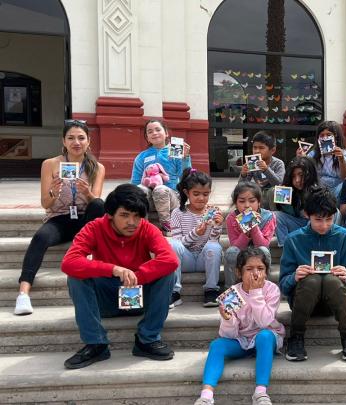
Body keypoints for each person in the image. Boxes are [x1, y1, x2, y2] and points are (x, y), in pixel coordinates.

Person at [60, 184, 178, 369]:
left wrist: (138, 276)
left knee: (167, 273)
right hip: (105, 300)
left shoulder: (147, 229)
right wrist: (114, 269)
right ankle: (96, 343)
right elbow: (69, 262)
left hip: (139, 298)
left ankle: (147, 340)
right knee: (75, 276)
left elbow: (170, 260)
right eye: (124, 215)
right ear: (110, 214)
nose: (132, 222)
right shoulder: (94, 228)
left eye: (137, 216)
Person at [15, 120, 106, 316]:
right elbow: (45, 204)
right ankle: (23, 292)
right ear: (63, 141)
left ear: (89, 141)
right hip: (60, 219)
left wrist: (87, 192)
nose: (76, 142)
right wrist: (54, 193)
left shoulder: (97, 167)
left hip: (85, 220)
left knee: (99, 204)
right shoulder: (50, 164)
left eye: (81, 138)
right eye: (71, 138)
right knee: (40, 237)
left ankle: (87, 253)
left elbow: (96, 202)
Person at [279, 185, 346, 362]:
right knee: (312, 280)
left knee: (332, 281)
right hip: (303, 300)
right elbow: (284, 286)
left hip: (334, 303)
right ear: (307, 215)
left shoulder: (345, 237)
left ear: (335, 216)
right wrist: (294, 276)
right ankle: (296, 337)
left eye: (329, 219)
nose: (324, 225)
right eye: (318, 220)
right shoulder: (294, 239)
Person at [194, 247, 284, 405]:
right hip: (241, 340)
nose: (255, 273)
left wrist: (256, 292)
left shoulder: (272, 290)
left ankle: (260, 393)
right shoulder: (232, 294)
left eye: (260, 268)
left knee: (264, 336)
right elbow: (228, 335)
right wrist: (227, 319)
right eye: (249, 269)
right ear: (238, 272)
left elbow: (264, 322)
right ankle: (206, 395)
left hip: (266, 338)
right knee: (217, 345)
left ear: (267, 271)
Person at [169, 169, 224, 308]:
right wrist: (196, 233)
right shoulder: (177, 213)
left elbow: (213, 241)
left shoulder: (212, 212)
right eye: (196, 194)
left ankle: (211, 290)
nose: (201, 198)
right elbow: (178, 243)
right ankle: (174, 292)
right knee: (173, 245)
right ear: (187, 193)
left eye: (205, 194)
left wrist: (218, 226)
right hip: (185, 259)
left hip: (203, 260)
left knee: (214, 246)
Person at [130, 119, 192, 232]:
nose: (154, 133)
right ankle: (143, 224)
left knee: (160, 189)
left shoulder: (176, 149)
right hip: (149, 200)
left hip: (171, 197)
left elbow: (185, 177)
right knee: (139, 189)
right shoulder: (141, 157)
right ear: (147, 137)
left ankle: (167, 224)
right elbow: (135, 183)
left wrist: (185, 158)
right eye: (150, 131)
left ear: (166, 133)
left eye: (158, 129)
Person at [225, 182, 276, 286]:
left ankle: (263, 287)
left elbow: (263, 244)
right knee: (231, 252)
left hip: (259, 253)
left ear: (259, 202)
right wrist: (245, 233)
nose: (247, 205)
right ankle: (232, 290)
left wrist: (253, 226)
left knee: (264, 250)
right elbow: (235, 246)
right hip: (241, 253)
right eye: (242, 201)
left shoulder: (269, 217)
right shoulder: (231, 218)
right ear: (236, 203)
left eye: (252, 201)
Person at [273, 156, 319, 247]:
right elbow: (290, 215)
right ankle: (286, 248)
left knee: (314, 221)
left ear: (310, 174)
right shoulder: (291, 190)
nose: (297, 180)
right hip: (298, 225)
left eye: (301, 175)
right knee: (275, 215)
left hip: (315, 229)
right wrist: (284, 201)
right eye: (293, 176)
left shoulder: (318, 191)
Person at [297, 121, 346, 196]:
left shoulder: (345, 155)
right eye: (322, 135)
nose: (325, 138)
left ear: (336, 137)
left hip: (338, 191)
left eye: (329, 135)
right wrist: (301, 160)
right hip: (318, 190)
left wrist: (341, 159)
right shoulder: (313, 154)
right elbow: (306, 175)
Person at [239, 131, 285, 209]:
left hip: (273, 198)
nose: (257, 151)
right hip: (259, 194)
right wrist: (243, 174)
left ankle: (274, 217)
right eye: (255, 147)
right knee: (237, 193)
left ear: (272, 150)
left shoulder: (278, 163)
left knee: (272, 191)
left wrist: (266, 170)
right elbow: (242, 186)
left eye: (261, 148)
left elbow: (279, 184)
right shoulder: (252, 163)